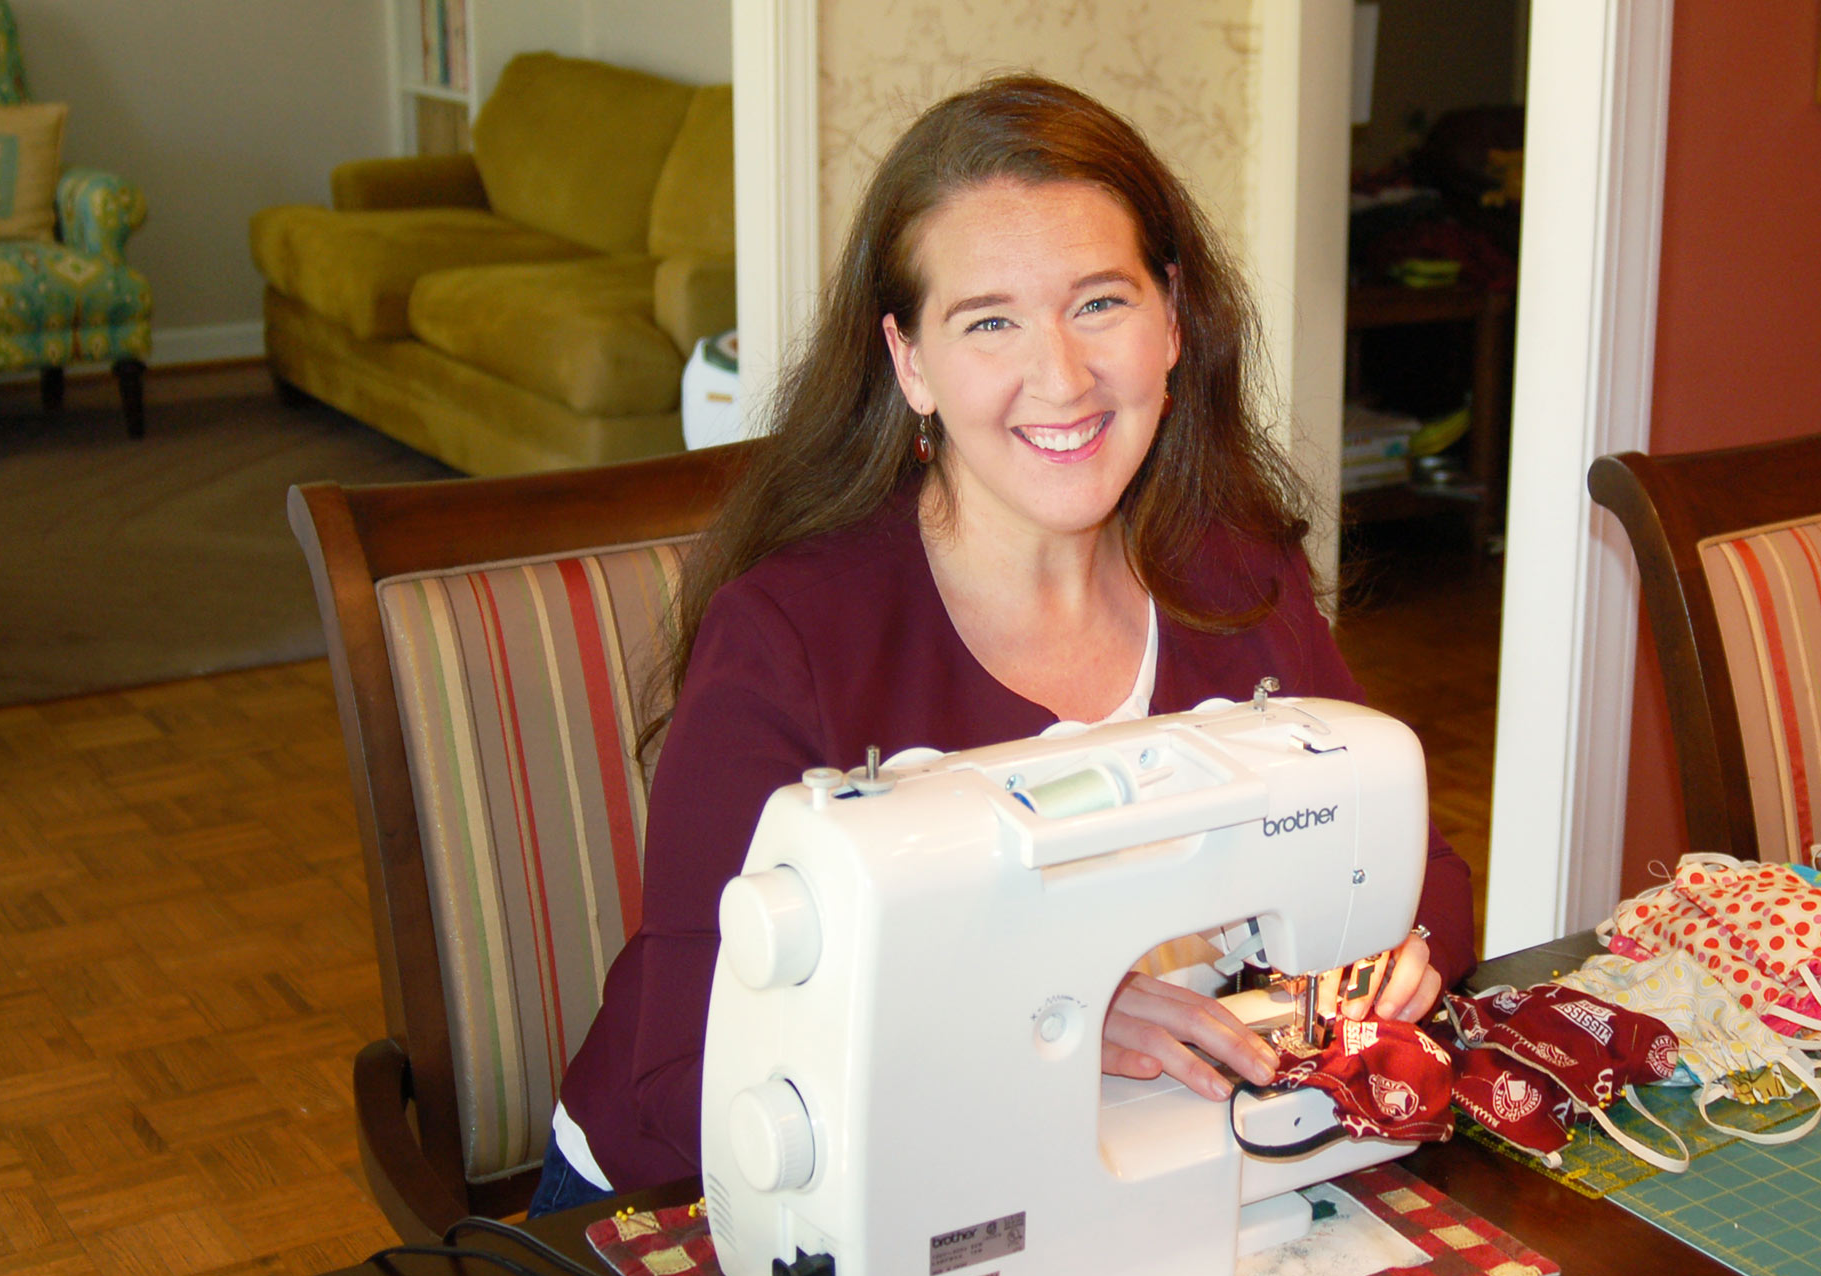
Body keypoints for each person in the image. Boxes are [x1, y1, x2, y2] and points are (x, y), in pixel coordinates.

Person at [530, 75, 1475, 1215]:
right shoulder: (794, 637)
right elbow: (697, 1068)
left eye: (1099, 303)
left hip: (1095, 1172)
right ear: (910, 361)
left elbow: (1424, 879)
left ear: (1171, 317)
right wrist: (1058, 1014)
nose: (1063, 377)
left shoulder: (1235, 576)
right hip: (686, 1208)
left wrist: (1381, 952)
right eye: (989, 321)